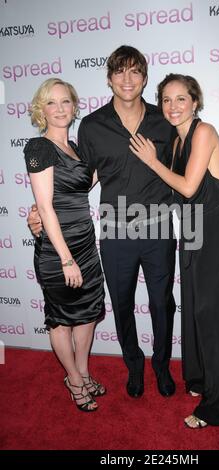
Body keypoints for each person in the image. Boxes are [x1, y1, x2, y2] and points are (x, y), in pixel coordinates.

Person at [28, 46, 177, 399]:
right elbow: (83, 177)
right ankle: (135, 366)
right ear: (109, 78)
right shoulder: (93, 126)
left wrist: (215, 192)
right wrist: (41, 209)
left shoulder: (163, 121)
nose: (127, 80)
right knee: (122, 303)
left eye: (135, 72)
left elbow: (182, 169)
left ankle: (161, 366)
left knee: (161, 303)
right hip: (116, 230)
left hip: (158, 228)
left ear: (145, 78)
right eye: (120, 72)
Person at [129, 74, 219, 428]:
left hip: (210, 231)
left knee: (216, 316)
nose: (172, 106)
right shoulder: (175, 143)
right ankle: (203, 379)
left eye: (180, 99)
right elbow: (179, 194)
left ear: (195, 102)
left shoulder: (203, 132)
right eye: (166, 100)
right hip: (190, 230)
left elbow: (187, 188)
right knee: (198, 312)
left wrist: (152, 162)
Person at [24, 78, 106, 412]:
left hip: (85, 243)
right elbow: (44, 208)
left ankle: (83, 371)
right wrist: (66, 259)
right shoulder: (38, 147)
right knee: (61, 318)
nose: (59, 109)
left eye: (66, 102)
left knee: (88, 312)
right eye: (51, 102)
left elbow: (90, 179)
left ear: (74, 106)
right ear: (40, 109)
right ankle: (73, 379)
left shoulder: (76, 148)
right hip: (59, 250)